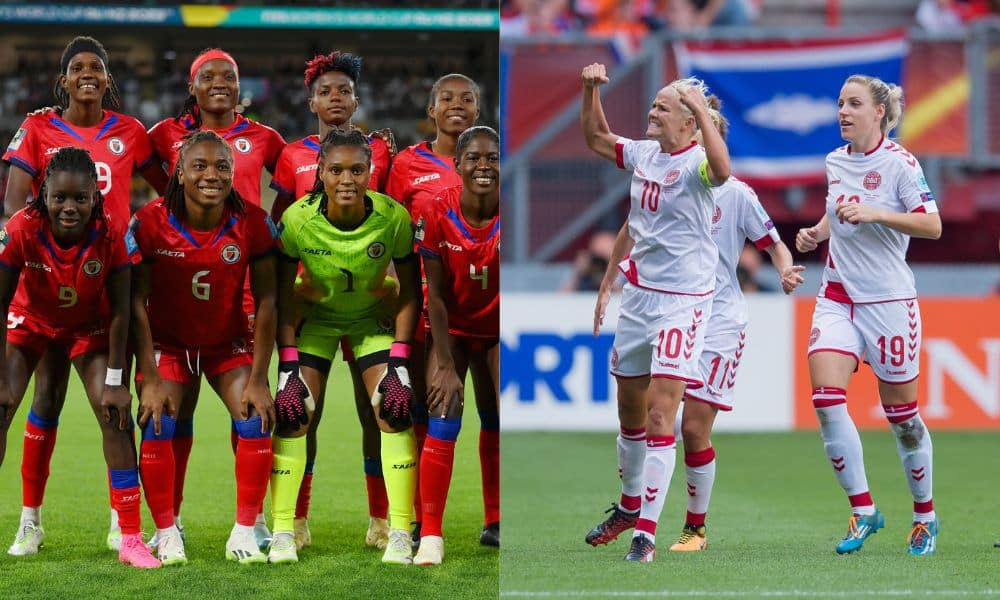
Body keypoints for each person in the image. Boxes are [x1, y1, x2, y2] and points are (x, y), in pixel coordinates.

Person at [1, 35, 168, 552]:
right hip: (43, 283)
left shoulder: (130, 131)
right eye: (78, 67)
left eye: (97, 67)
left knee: (108, 407)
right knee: (43, 401)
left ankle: (125, 525)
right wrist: (34, 251)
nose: (88, 74)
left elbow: (167, 192)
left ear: (109, 79)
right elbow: (12, 210)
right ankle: (30, 519)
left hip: (102, 282)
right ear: (63, 79)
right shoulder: (37, 126)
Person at [580, 62, 730, 562]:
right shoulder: (645, 154)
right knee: (629, 413)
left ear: (688, 121)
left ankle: (645, 533)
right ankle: (628, 507)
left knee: (662, 411)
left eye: (663, 107)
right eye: (654, 104)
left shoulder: (700, 166)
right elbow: (598, 138)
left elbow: (724, 169)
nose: (652, 111)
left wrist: (700, 110)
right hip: (640, 300)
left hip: (683, 302)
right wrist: (589, 89)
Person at [795, 74, 942, 555]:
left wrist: (878, 213)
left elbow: (932, 224)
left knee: (903, 419)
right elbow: (839, 210)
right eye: (839, 103)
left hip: (888, 303)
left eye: (853, 103)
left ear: (879, 111)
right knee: (825, 398)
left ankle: (925, 517)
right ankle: (863, 511)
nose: (843, 111)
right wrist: (818, 233)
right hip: (837, 296)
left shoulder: (901, 163)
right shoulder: (835, 161)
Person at [147, 47, 285, 550]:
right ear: (193, 85)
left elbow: (297, 177)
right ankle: (169, 524)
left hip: (241, 290)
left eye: (230, 74)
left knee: (251, 407)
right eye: (209, 75)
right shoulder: (162, 137)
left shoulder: (264, 138)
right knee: (170, 415)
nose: (220, 82)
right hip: (180, 293)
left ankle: (251, 523)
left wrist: (272, 224)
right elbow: (137, 171)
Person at [653, 104, 804, 551]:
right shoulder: (667, 180)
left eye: (710, 131)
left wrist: (785, 269)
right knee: (650, 419)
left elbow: (773, 243)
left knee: (694, 429)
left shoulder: (736, 194)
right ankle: (636, 516)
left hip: (719, 321)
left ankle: (695, 527)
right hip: (673, 313)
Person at [272, 129, 421, 564]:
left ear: (370, 171)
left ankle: (398, 530)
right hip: (315, 322)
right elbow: (281, 298)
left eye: (357, 169)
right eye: (336, 170)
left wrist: (401, 362)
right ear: (320, 172)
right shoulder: (297, 220)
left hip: (370, 323)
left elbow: (411, 293)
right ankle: (284, 531)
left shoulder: (393, 219)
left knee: (394, 407)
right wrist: (286, 366)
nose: (347, 179)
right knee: (292, 410)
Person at [268, 50, 394, 551]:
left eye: (344, 90)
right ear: (311, 100)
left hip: (368, 300)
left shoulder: (380, 152)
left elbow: (392, 214)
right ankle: (297, 519)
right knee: (303, 410)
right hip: (310, 304)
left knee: (377, 409)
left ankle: (382, 518)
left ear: (356, 100)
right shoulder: (291, 156)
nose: (335, 98)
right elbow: (279, 224)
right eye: (326, 91)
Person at [385, 73, 499, 549]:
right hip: (429, 307)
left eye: (467, 99)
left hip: (484, 312)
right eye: (446, 99)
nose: (457, 105)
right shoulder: (407, 165)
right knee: (422, 413)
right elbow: (390, 231)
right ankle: (416, 519)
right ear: (430, 111)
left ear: (478, 109)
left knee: (493, 415)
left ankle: (495, 519)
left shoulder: (490, 168)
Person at [413, 126, 500, 565]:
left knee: (498, 414)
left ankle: (496, 520)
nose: (484, 165)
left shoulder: (510, 212)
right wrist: (443, 360)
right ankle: (430, 533)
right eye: (475, 158)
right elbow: (437, 294)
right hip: (452, 330)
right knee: (443, 412)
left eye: (492, 158)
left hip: (497, 332)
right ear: (458, 164)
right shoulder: (436, 212)